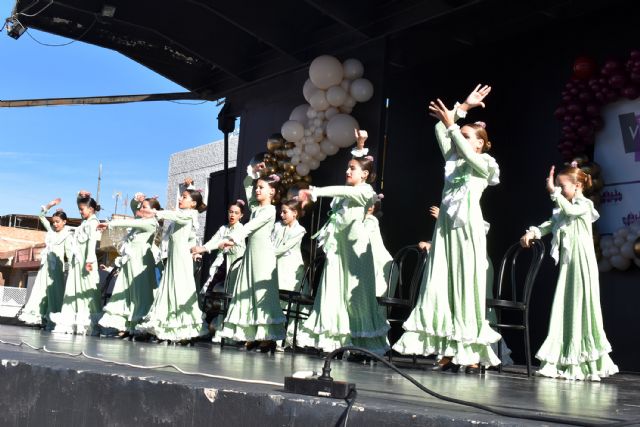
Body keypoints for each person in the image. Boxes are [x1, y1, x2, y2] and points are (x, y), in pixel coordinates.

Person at [393, 85, 501, 373]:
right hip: (445, 230)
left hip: (467, 231)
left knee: (466, 285)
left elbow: (458, 141)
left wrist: (455, 126)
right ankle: (448, 349)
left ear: (479, 143)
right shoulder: (453, 163)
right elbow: (442, 133)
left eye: (467, 137)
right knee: (442, 283)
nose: (460, 139)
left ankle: (470, 351)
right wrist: (463, 108)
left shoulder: (484, 163)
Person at [296, 130, 390, 356]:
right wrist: (360, 145)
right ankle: (333, 340)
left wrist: (315, 191)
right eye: (347, 168)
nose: (347, 171)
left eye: (352, 169)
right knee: (333, 292)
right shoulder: (350, 190)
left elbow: (343, 189)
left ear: (365, 175)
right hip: (339, 251)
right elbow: (353, 175)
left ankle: (360, 345)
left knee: (355, 296)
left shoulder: (366, 191)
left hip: (356, 253)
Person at [520, 164, 618, 381]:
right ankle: (564, 358)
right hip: (568, 263)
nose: (559, 190)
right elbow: (550, 224)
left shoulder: (584, 204)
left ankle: (584, 361)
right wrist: (533, 232)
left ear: (578, 185)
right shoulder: (562, 207)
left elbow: (571, 211)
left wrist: (554, 194)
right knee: (565, 306)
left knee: (582, 306)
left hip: (581, 262)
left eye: (562, 186)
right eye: (558, 186)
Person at [219, 165, 286, 353]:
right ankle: (251, 333)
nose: (257, 190)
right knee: (248, 291)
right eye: (258, 187)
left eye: (261, 187)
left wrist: (233, 238)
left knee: (260, 294)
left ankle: (266, 336)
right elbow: (247, 184)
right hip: (251, 254)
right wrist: (255, 173)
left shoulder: (270, 211)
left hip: (263, 256)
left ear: (272, 192)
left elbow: (251, 227)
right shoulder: (256, 208)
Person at [136, 190, 207, 343]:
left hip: (181, 259)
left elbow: (176, 216)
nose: (180, 199)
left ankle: (183, 329)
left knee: (180, 290)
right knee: (168, 290)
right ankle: (168, 327)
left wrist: (155, 212)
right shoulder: (181, 216)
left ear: (193, 203)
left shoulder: (190, 214)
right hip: (174, 258)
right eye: (181, 196)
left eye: (184, 197)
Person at [97, 198, 160, 337]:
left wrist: (109, 223)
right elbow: (134, 209)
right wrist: (134, 200)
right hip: (130, 261)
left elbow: (128, 221)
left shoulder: (150, 223)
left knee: (140, 293)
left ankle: (140, 325)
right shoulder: (140, 223)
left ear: (153, 211)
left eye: (145, 207)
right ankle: (126, 325)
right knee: (126, 291)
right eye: (141, 207)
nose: (141, 209)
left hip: (141, 262)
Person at [50, 191, 103, 335]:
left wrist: (90, 260)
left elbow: (92, 242)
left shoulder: (93, 222)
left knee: (87, 290)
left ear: (90, 209)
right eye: (79, 209)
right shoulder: (85, 222)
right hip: (77, 263)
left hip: (86, 262)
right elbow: (82, 202)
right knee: (73, 290)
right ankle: (71, 322)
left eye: (82, 209)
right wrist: (79, 196)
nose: (80, 211)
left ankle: (89, 323)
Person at [191, 199, 246, 333]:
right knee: (208, 293)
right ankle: (205, 326)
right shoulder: (223, 228)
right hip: (222, 264)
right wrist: (202, 248)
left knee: (232, 297)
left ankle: (230, 329)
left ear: (241, 216)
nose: (232, 215)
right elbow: (214, 241)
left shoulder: (241, 229)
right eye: (231, 212)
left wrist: (203, 249)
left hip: (235, 266)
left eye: (236, 213)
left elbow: (224, 242)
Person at [18, 199, 71, 330]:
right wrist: (50, 205)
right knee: (40, 291)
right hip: (45, 267)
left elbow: (69, 253)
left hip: (56, 270)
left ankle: (52, 319)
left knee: (54, 293)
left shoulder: (67, 235)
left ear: (64, 222)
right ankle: (39, 317)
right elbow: (41, 216)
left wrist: (72, 267)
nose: (55, 224)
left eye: (58, 222)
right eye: (54, 222)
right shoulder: (51, 231)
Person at [273, 199, 306, 293]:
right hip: (276, 264)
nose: (281, 215)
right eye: (281, 212)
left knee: (287, 291)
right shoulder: (278, 226)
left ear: (294, 213)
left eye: (285, 212)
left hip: (291, 267)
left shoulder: (299, 230)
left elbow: (283, 248)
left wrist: (267, 254)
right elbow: (271, 241)